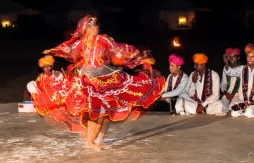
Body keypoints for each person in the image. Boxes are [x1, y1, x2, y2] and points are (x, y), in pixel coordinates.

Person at [42, 14, 165, 150]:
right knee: (96, 111)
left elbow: (118, 50)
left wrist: (137, 56)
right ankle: (90, 140)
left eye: (95, 24)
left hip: (103, 77)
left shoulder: (103, 39)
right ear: (87, 28)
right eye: (93, 25)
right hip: (88, 79)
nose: (96, 27)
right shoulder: (81, 42)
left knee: (100, 111)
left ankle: (90, 139)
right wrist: (55, 51)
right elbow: (69, 50)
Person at [223, 43, 254, 118]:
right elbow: (230, 72)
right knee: (234, 113)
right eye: (248, 56)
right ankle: (246, 108)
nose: (249, 59)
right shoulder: (242, 69)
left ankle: (251, 109)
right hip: (242, 101)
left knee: (249, 113)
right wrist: (226, 64)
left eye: (252, 57)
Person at [220, 47, 242, 113]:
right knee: (222, 108)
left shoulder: (242, 68)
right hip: (228, 93)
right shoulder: (226, 67)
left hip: (237, 94)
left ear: (238, 58)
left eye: (234, 57)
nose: (231, 59)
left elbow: (243, 86)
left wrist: (234, 93)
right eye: (229, 57)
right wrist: (226, 93)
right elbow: (223, 84)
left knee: (232, 107)